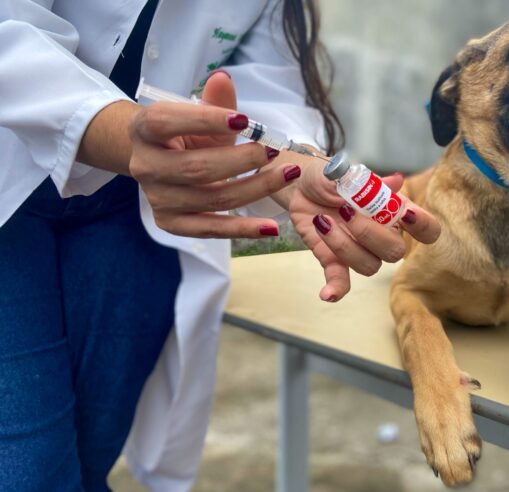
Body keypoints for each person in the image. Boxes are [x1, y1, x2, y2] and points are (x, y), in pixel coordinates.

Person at [0, 1, 440, 490]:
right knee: (28, 469)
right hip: (12, 181)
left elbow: (267, 80)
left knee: (92, 445)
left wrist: (295, 167)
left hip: (130, 204)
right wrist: (124, 135)